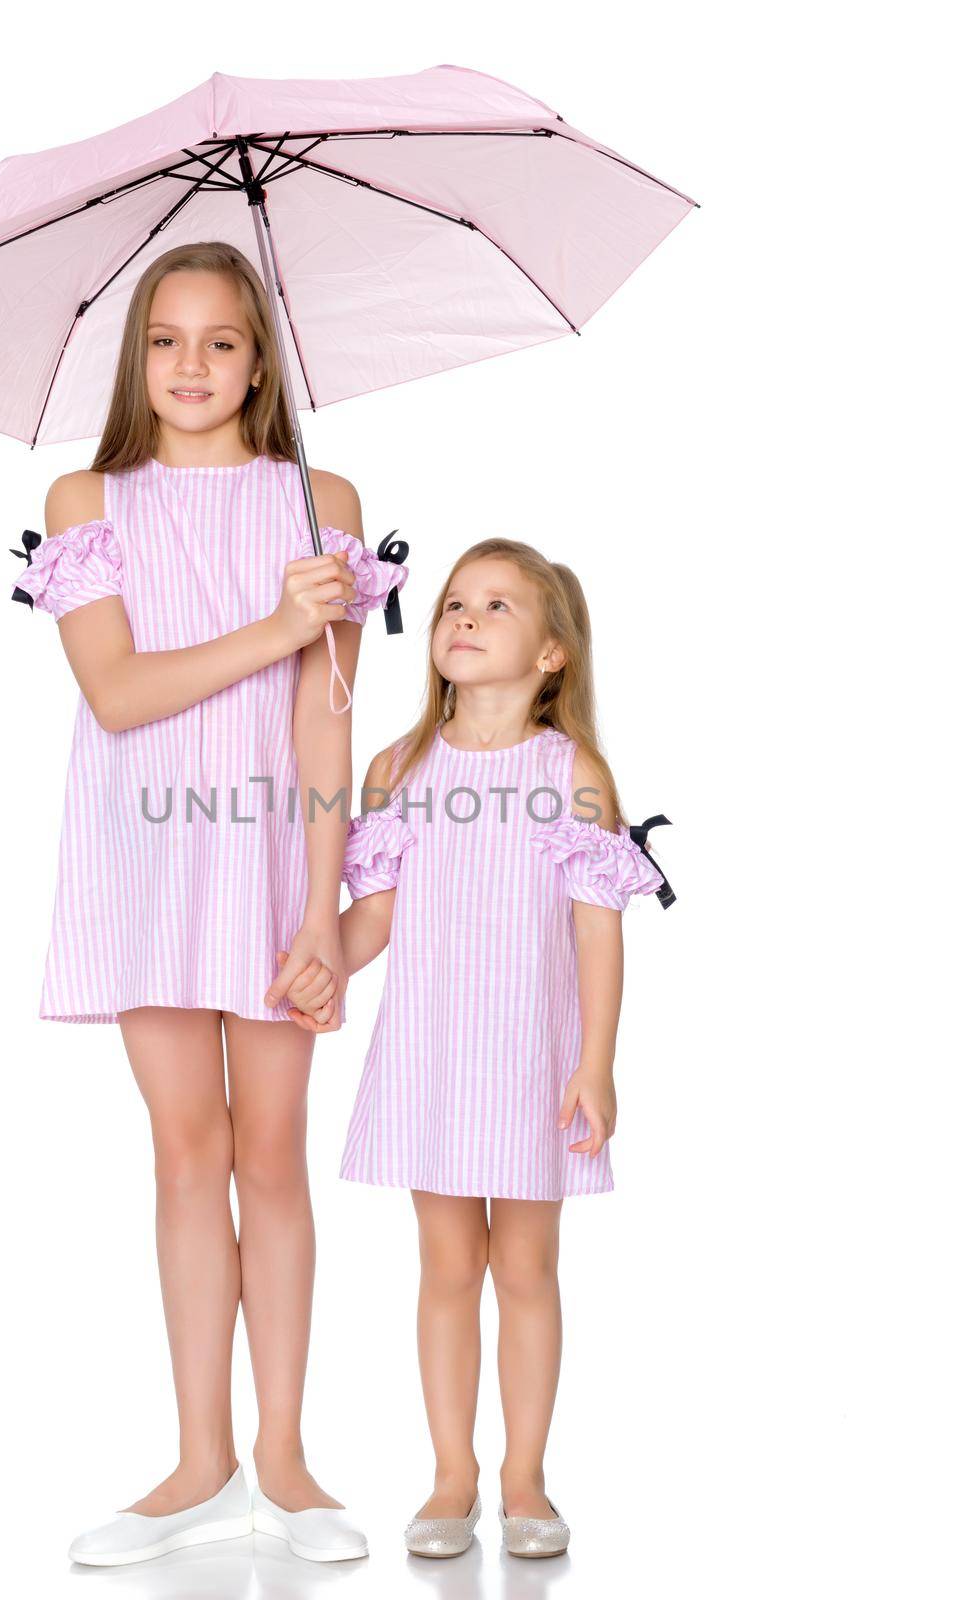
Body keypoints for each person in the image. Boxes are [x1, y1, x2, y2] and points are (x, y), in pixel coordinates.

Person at [11, 240, 409, 1567]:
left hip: (266, 862)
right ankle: (200, 1460)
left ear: (259, 358)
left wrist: (319, 907)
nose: (191, 367)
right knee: (185, 1150)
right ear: (137, 358)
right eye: (166, 342)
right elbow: (118, 693)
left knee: (270, 1151)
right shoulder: (86, 500)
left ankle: (286, 1458)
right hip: (142, 852)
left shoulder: (321, 502)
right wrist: (276, 624)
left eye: (220, 342)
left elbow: (324, 725)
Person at [281, 538, 671, 1559]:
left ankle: (524, 1474)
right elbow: (374, 914)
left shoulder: (569, 771)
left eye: (496, 606)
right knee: (446, 1265)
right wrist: (328, 968)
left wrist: (594, 1061)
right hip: (430, 1051)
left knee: (527, 1267)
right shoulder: (397, 768)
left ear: (551, 654)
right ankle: (451, 1473)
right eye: (454, 601)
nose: (462, 617)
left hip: (528, 1057)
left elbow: (596, 924)